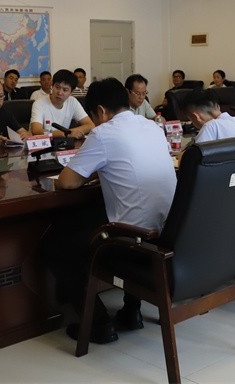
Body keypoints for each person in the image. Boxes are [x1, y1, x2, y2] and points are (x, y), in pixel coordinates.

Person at [53, 78, 176, 344]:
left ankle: (98, 325)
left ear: (101, 110)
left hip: (131, 241)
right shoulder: (152, 126)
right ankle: (132, 312)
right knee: (107, 217)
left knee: (60, 246)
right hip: (167, 232)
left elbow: (67, 182)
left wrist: (91, 170)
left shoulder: (103, 133)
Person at [30, 69, 94, 139]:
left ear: (71, 92)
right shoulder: (39, 103)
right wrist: (66, 133)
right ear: (52, 85)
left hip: (64, 143)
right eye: (57, 87)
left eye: (65, 90)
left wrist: (69, 132)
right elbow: (36, 131)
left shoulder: (73, 102)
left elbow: (90, 125)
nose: (60, 93)